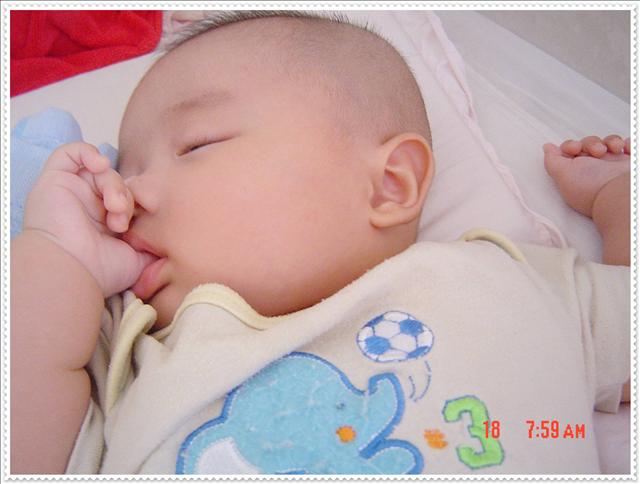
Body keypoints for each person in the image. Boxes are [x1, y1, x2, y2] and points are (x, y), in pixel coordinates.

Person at [11, 11, 630, 474]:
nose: (128, 196)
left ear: (389, 185)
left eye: (196, 145)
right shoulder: (132, 349)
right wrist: (57, 252)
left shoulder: (500, 285)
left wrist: (616, 198)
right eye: (124, 173)